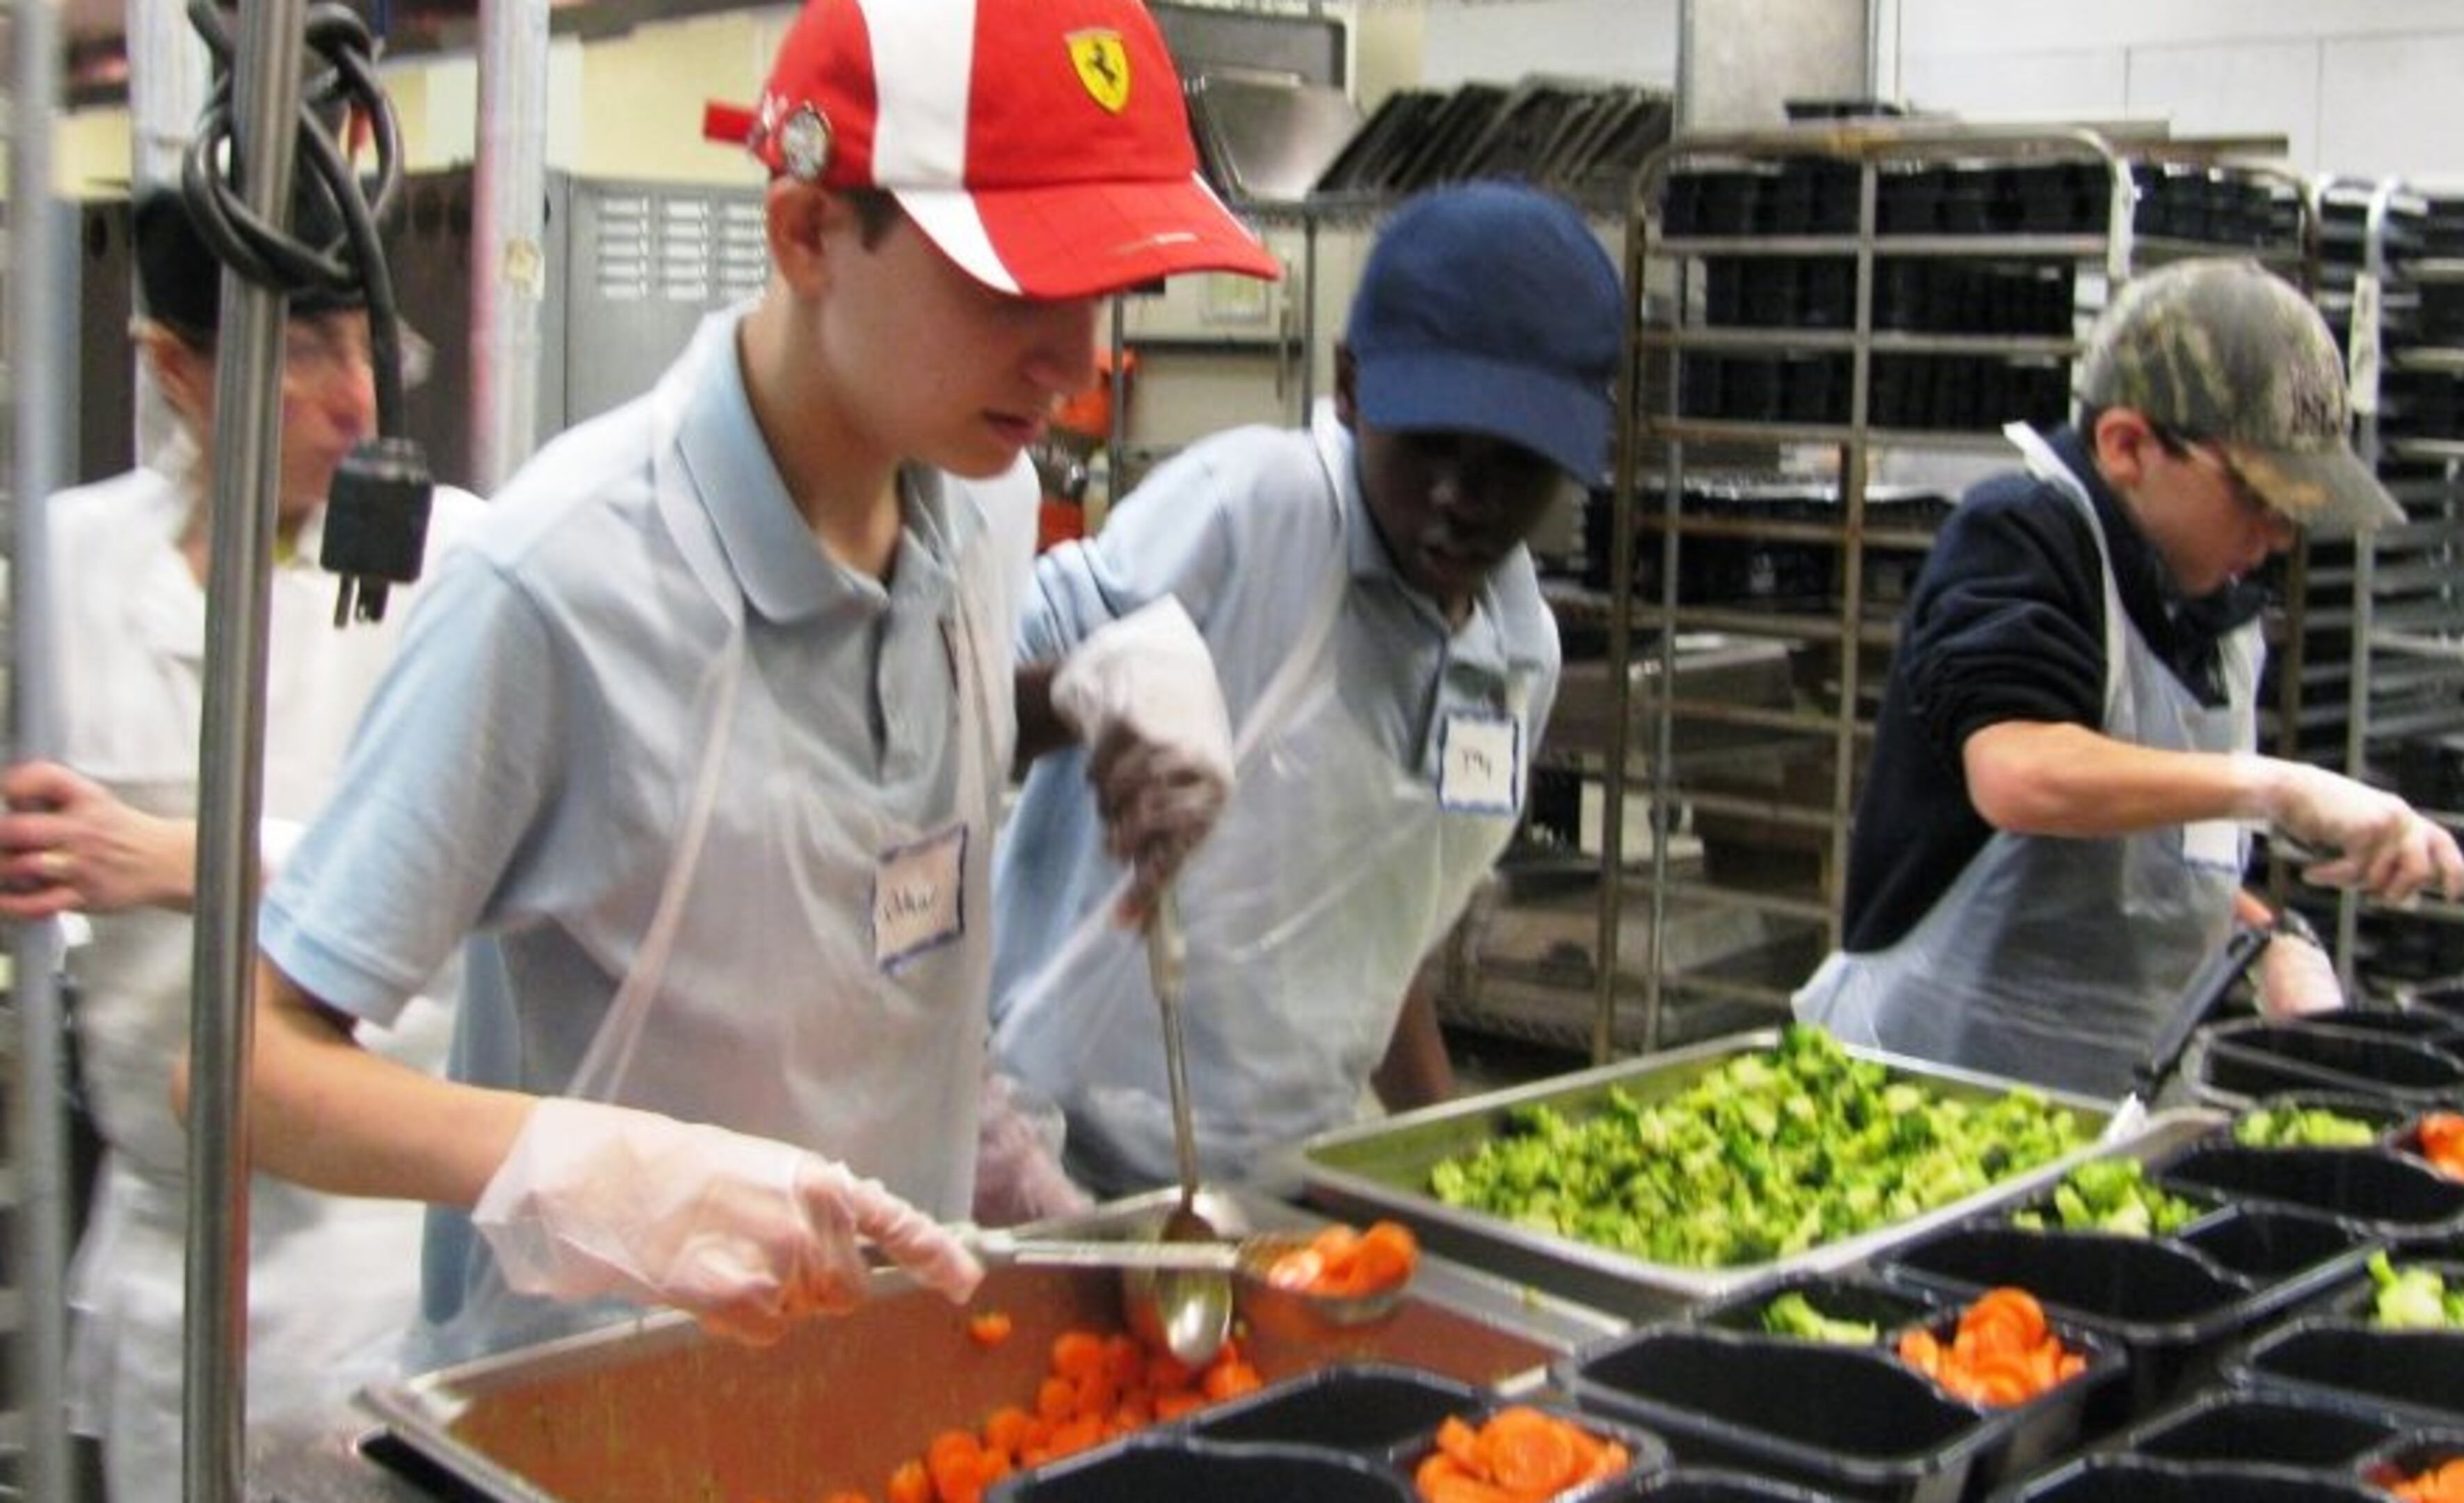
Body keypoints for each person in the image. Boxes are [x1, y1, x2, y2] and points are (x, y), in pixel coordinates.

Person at [209, 0, 1276, 1367]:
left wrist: (1078, 695)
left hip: (884, 1388)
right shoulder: (560, 583)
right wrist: (588, 1167)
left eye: (1107, 294)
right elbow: (244, 1063)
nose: (1076, 366)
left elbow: (875, 903)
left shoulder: (980, 507)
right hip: (604, 1405)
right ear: (808, 232)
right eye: (1013, 290)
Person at [989, 182, 1624, 1193]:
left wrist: (1451, 1162)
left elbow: (1378, 936)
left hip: (1286, 1179)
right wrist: (1082, 688)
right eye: (1432, 441)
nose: (1463, 499)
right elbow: (951, 712)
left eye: (1515, 463)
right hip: (1049, 1160)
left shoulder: (1518, 656)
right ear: (1350, 385)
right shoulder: (1254, 511)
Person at [0, 186, 484, 1500]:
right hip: (160, 1259)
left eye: (370, 349)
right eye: (304, 354)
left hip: (371, 1258)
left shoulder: (456, 565)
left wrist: (179, 861)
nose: (358, 403)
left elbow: (459, 887)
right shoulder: (71, 563)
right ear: (176, 368)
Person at [1793, 256, 2464, 1101]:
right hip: (1922, 1089)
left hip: (2105, 1102)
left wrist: (2269, 939)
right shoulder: (2020, 536)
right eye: (2259, 496)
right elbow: (2021, 775)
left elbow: (2149, 862)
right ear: (2126, 446)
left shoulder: (2209, 607)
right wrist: (2280, 789)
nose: (2280, 536)